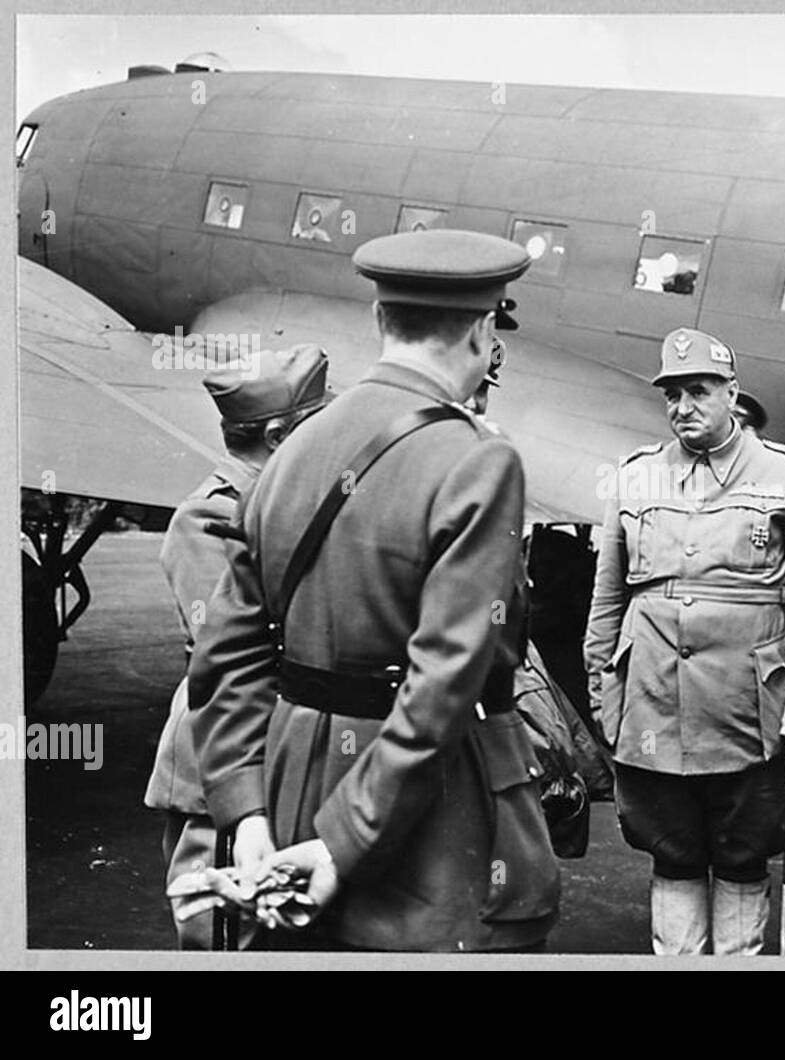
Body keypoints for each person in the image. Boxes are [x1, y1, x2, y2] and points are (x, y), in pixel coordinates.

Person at [189, 229, 560, 952]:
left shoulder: (294, 445)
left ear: (379, 321)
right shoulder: (477, 461)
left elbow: (227, 655)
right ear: (486, 331)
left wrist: (247, 816)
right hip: (427, 817)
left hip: (287, 792)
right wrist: (340, 845)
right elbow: (444, 687)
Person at [584, 327, 785, 955]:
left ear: (732, 394)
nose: (682, 407)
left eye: (698, 391)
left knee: (745, 856)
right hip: (652, 702)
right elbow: (608, 596)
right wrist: (601, 690)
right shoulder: (636, 477)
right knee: (672, 852)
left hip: (749, 708)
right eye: (672, 394)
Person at [143, 344, 332, 948]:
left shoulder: (289, 505)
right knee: (223, 934)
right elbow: (231, 654)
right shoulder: (209, 517)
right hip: (220, 758)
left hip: (277, 747)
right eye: (315, 422)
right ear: (279, 435)